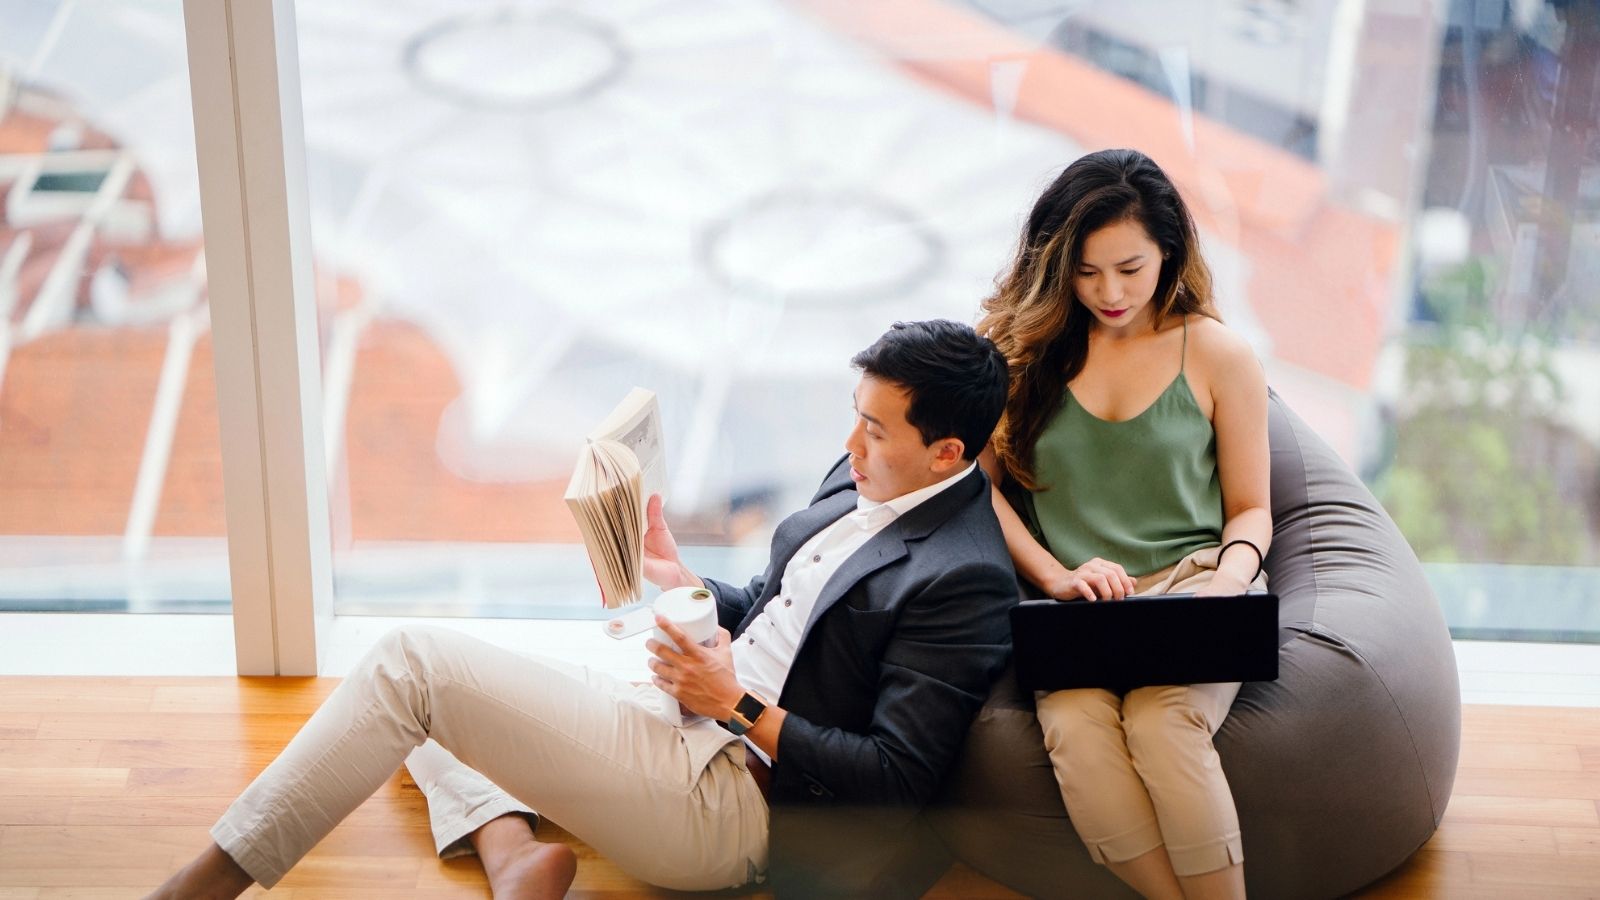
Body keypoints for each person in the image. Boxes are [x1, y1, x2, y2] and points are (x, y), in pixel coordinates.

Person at [146, 319, 1017, 900]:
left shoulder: (963, 578)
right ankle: (515, 858)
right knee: (422, 686)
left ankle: (201, 885)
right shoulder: (870, 470)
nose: (850, 443)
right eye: (855, 417)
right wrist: (683, 577)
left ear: (946, 453)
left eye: (875, 430)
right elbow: (782, 608)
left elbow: (895, 781)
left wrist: (734, 704)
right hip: (689, 706)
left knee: (411, 672)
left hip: (733, 801)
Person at [977, 149, 1272, 900]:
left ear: (1169, 253)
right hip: (1077, 602)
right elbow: (977, 492)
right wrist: (1055, 576)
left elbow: (1251, 508)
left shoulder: (1218, 353)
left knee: (1163, 725)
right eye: (1086, 272)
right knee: (1077, 734)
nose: (1109, 293)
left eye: (1130, 269)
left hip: (1195, 584)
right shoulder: (1019, 354)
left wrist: (1229, 584)